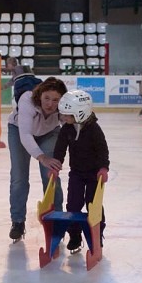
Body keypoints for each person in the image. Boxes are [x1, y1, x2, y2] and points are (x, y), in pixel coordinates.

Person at [7, 77, 67, 241]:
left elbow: (72, 129)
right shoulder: (28, 99)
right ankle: (18, 222)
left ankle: (58, 219)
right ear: (40, 95)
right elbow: (25, 134)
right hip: (18, 130)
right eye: (46, 98)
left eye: (55, 100)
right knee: (19, 177)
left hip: (49, 133)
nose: (50, 104)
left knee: (51, 175)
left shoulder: (63, 107)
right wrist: (42, 157)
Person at [52, 90, 110, 253]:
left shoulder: (94, 129)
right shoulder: (67, 129)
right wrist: (56, 164)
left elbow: (102, 150)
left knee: (94, 206)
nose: (64, 118)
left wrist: (103, 168)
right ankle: (75, 236)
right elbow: (60, 149)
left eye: (67, 115)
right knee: (73, 205)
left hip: (94, 175)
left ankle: (97, 235)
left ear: (80, 114)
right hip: (76, 173)